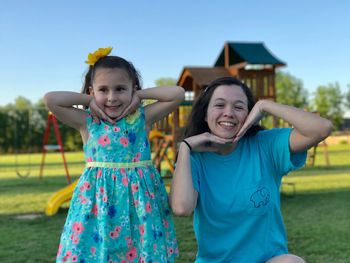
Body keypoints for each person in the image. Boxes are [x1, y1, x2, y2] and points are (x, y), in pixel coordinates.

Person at [170, 77, 332, 263]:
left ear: (249, 114)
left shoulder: (265, 145)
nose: (229, 113)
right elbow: (181, 208)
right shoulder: (194, 159)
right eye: (220, 105)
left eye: (239, 107)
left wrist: (265, 106)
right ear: (205, 115)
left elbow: (322, 128)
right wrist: (185, 147)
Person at [44, 47, 184, 262]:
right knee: (98, 251)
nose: (111, 97)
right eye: (103, 90)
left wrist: (141, 96)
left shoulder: (142, 119)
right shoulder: (87, 121)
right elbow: (51, 99)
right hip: (97, 201)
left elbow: (177, 95)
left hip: (140, 202)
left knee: (142, 250)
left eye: (120, 89)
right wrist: (89, 101)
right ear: (92, 92)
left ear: (132, 90)